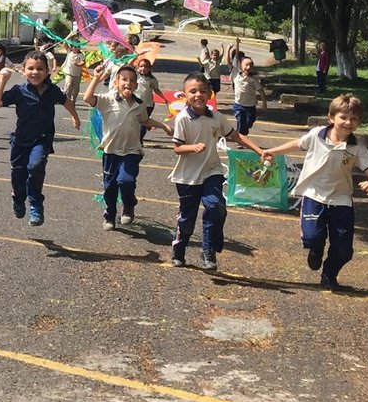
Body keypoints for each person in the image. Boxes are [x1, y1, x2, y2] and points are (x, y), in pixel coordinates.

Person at [260, 93, 368, 291]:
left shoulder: (357, 146)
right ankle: (316, 249)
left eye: (354, 119)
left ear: (359, 122)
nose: (348, 122)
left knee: (343, 249)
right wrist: (273, 151)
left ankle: (329, 274)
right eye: (343, 117)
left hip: (341, 200)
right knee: (312, 237)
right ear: (331, 117)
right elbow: (297, 145)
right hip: (314, 194)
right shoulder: (317, 135)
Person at [168, 73, 268, 271]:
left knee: (216, 207)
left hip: (212, 171)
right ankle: (179, 250)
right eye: (193, 91)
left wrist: (260, 151)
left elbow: (236, 136)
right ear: (185, 95)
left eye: (203, 91)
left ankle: (209, 251)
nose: (198, 95)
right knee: (187, 219)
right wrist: (192, 147)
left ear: (210, 94)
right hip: (187, 176)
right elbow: (177, 148)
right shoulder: (182, 119)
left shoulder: (216, 117)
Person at [0, 50, 82, 227]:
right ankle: (18, 200)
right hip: (20, 141)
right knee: (18, 177)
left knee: (36, 165)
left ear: (47, 71)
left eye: (40, 68)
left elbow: (66, 101)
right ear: (23, 71)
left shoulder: (52, 90)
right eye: (31, 68)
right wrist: (3, 80)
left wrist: (75, 117)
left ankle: (35, 205)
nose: (35, 72)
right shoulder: (19, 91)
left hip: (42, 138)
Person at [83, 63, 165, 229]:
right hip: (111, 152)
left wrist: (164, 126)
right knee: (110, 188)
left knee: (126, 180)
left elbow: (144, 120)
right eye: (124, 79)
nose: (128, 83)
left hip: (131, 151)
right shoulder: (108, 100)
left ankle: (128, 206)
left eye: (132, 80)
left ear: (136, 85)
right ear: (116, 82)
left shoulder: (139, 104)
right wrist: (96, 79)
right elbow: (87, 98)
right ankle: (110, 216)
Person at [230, 56, 269, 136]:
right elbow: (229, 62)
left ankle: (243, 132)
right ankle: (240, 138)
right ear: (241, 65)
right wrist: (228, 50)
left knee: (249, 122)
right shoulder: (235, 74)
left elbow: (261, 91)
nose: (248, 67)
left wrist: (264, 103)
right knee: (240, 121)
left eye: (250, 65)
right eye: (246, 65)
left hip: (250, 106)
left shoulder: (253, 80)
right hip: (239, 105)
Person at [133, 55, 161, 140]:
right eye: (141, 66)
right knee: (134, 122)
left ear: (149, 68)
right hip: (135, 103)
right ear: (138, 67)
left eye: (146, 67)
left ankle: (140, 139)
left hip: (148, 105)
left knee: (143, 123)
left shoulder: (152, 80)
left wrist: (165, 99)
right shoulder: (135, 77)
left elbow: (156, 90)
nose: (143, 68)